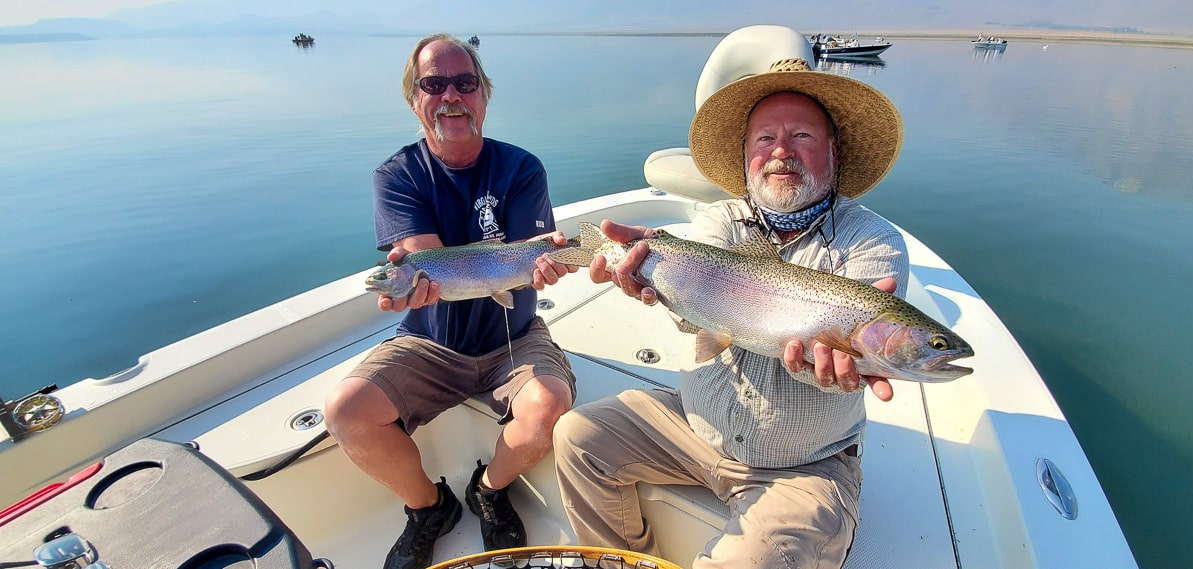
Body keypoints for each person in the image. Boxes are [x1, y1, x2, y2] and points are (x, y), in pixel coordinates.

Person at [553, 56, 908, 568]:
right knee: (577, 438)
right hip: (695, 427)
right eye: (764, 139)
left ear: (833, 152)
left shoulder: (873, 242)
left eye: (802, 136)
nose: (780, 151)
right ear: (746, 156)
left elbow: (837, 361)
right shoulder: (718, 220)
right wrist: (649, 277)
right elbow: (693, 315)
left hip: (804, 464)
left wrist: (839, 369)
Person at [323, 33, 577, 569]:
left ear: (484, 94)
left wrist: (547, 264)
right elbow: (425, 262)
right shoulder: (397, 176)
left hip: (515, 336)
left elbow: (529, 254)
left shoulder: (521, 168)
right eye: (433, 85)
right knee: (344, 410)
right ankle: (427, 507)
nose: (450, 96)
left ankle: (488, 488)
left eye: (465, 83)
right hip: (430, 343)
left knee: (551, 407)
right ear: (414, 99)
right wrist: (401, 285)